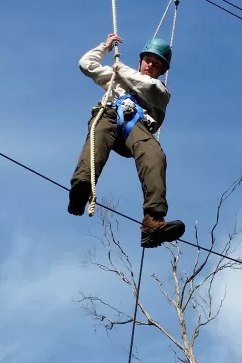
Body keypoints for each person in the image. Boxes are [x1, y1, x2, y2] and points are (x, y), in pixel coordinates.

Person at [68, 33, 185, 248]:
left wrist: (120, 69)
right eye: (148, 60)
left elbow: (147, 87)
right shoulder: (118, 78)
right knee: (100, 129)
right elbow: (86, 65)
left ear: (161, 71)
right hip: (110, 116)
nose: (150, 65)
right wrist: (105, 47)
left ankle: (153, 221)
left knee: (154, 155)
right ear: (141, 60)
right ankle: (82, 186)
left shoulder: (161, 92)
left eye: (156, 64)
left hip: (136, 128)